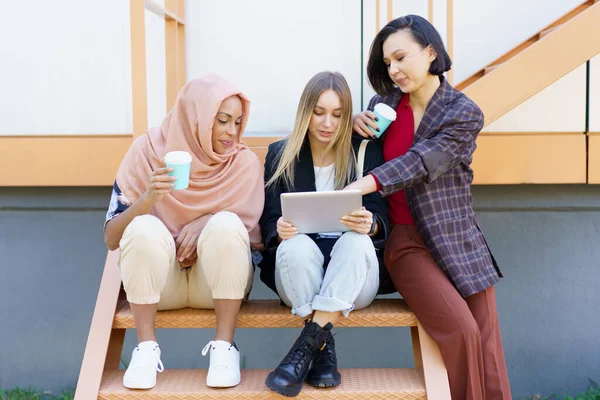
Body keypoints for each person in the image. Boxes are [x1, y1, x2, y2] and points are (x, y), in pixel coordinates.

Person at [348, 15, 511, 400]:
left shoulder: (463, 112)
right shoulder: (383, 106)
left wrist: (368, 183)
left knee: (487, 342)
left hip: (457, 238)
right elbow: (362, 155)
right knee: (462, 330)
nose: (394, 69)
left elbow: (424, 160)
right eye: (388, 63)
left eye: (401, 57)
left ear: (431, 52)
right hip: (405, 242)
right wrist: (354, 127)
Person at [103, 74, 264, 390]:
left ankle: (224, 348)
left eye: (238, 122)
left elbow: (246, 236)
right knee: (143, 226)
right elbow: (111, 238)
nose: (232, 132)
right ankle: (146, 349)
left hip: (217, 285)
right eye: (222, 121)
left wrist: (206, 221)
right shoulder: (147, 152)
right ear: (196, 118)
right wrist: (148, 199)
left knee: (227, 225)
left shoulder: (243, 164)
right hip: (161, 285)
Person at [259, 71, 391, 397]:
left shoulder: (364, 151)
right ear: (306, 111)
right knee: (295, 247)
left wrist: (370, 223)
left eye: (337, 114)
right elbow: (268, 220)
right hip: (300, 278)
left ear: (347, 116)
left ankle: (303, 349)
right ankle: (321, 350)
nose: (327, 123)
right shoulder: (281, 153)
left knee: (357, 241)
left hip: (355, 278)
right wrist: (278, 230)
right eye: (319, 112)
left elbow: (380, 216)